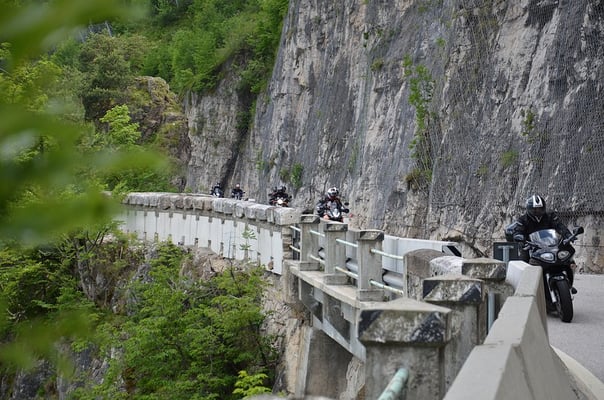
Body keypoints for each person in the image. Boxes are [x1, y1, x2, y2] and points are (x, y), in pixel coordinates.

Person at [508, 194, 577, 292]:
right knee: (524, 264)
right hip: (530, 246)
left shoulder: (550, 216)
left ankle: (568, 284)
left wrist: (568, 235)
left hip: (551, 244)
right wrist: (520, 237)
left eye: (540, 209)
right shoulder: (523, 220)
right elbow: (518, 231)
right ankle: (524, 288)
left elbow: (560, 226)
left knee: (568, 259)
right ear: (529, 209)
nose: (538, 211)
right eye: (535, 209)